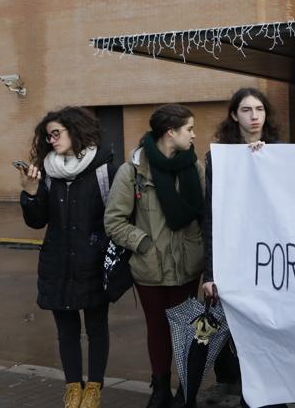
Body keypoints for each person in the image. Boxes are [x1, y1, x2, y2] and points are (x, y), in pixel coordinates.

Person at [104, 104, 205, 408]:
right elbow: (114, 221)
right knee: (158, 329)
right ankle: (159, 388)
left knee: (186, 329)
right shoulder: (132, 171)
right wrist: (145, 244)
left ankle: (185, 391)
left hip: (188, 265)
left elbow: (208, 214)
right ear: (170, 132)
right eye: (189, 128)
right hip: (150, 268)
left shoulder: (195, 167)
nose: (194, 134)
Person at [19, 106, 115, 408]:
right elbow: (37, 221)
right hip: (58, 262)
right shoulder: (48, 172)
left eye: (56, 133)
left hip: (94, 261)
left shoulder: (105, 168)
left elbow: (117, 216)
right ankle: (74, 386)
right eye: (48, 136)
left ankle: (94, 387)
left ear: (75, 130)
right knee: (66, 331)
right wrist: (31, 193)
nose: (51, 140)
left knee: (97, 328)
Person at [200, 88, 280, 408]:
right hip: (236, 260)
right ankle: (248, 395)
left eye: (259, 108)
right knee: (240, 335)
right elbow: (211, 217)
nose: (254, 116)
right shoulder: (219, 158)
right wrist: (211, 271)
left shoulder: (278, 152)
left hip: (271, 259)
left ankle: (272, 395)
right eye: (246, 110)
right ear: (235, 115)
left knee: (271, 332)